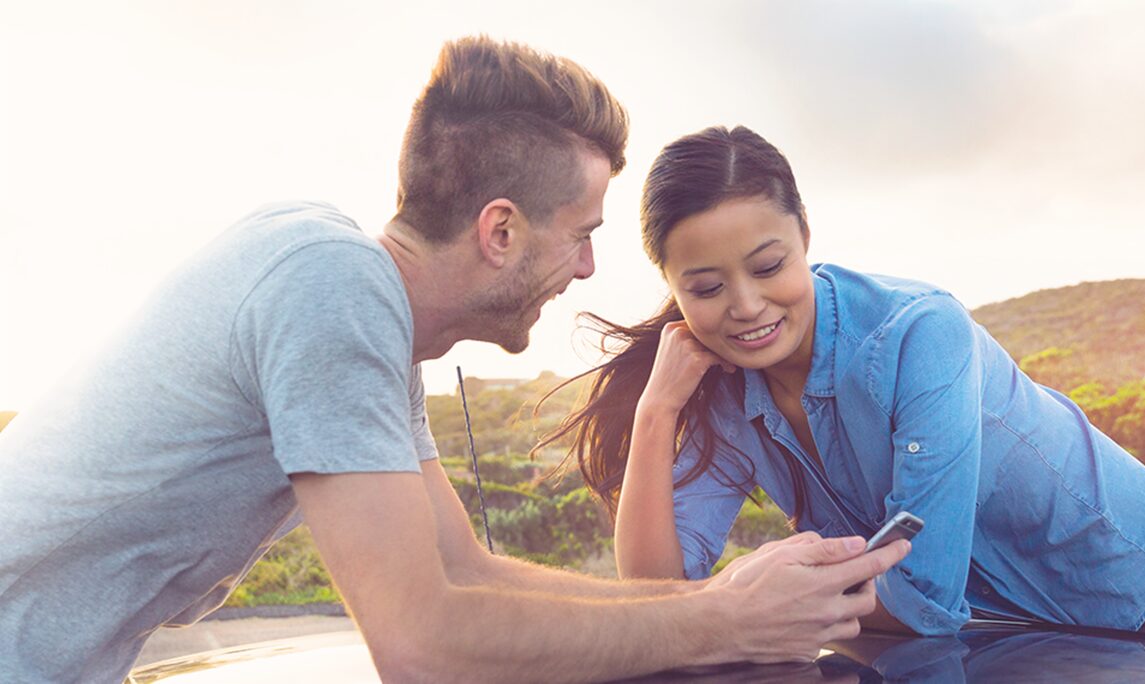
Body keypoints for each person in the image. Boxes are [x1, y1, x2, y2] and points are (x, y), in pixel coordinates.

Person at [0, 40, 909, 682]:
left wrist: (712, 601)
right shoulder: (331, 288)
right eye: (582, 235)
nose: (589, 267)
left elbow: (467, 574)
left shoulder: (354, 306)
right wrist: (718, 624)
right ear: (501, 230)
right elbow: (422, 647)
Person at [538, 125, 1145, 643]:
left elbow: (923, 596)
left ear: (805, 236)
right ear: (672, 289)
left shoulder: (919, 334)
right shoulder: (716, 386)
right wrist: (659, 409)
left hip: (1136, 594)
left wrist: (756, 602)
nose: (746, 306)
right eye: (708, 287)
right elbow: (657, 592)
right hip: (1004, 633)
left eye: (769, 265)